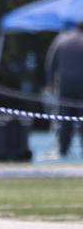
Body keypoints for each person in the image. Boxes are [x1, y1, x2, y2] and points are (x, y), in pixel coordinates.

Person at [45, 21, 83, 157]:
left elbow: (50, 62)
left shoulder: (61, 39)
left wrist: (49, 83)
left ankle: (63, 150)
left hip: (65, 86)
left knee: (64, 120)